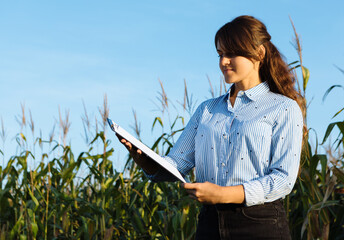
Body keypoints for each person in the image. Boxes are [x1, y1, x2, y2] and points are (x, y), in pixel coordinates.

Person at [117, 15, 305, 240]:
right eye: (220, 54)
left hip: (261, 225)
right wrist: (146, 161)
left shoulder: (283, 108)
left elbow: (283, 179)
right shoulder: (206, 109)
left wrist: (223, 194)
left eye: (231, 53)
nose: (223, 61)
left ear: (260, 53)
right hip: (210, 225)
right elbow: (178, 162)